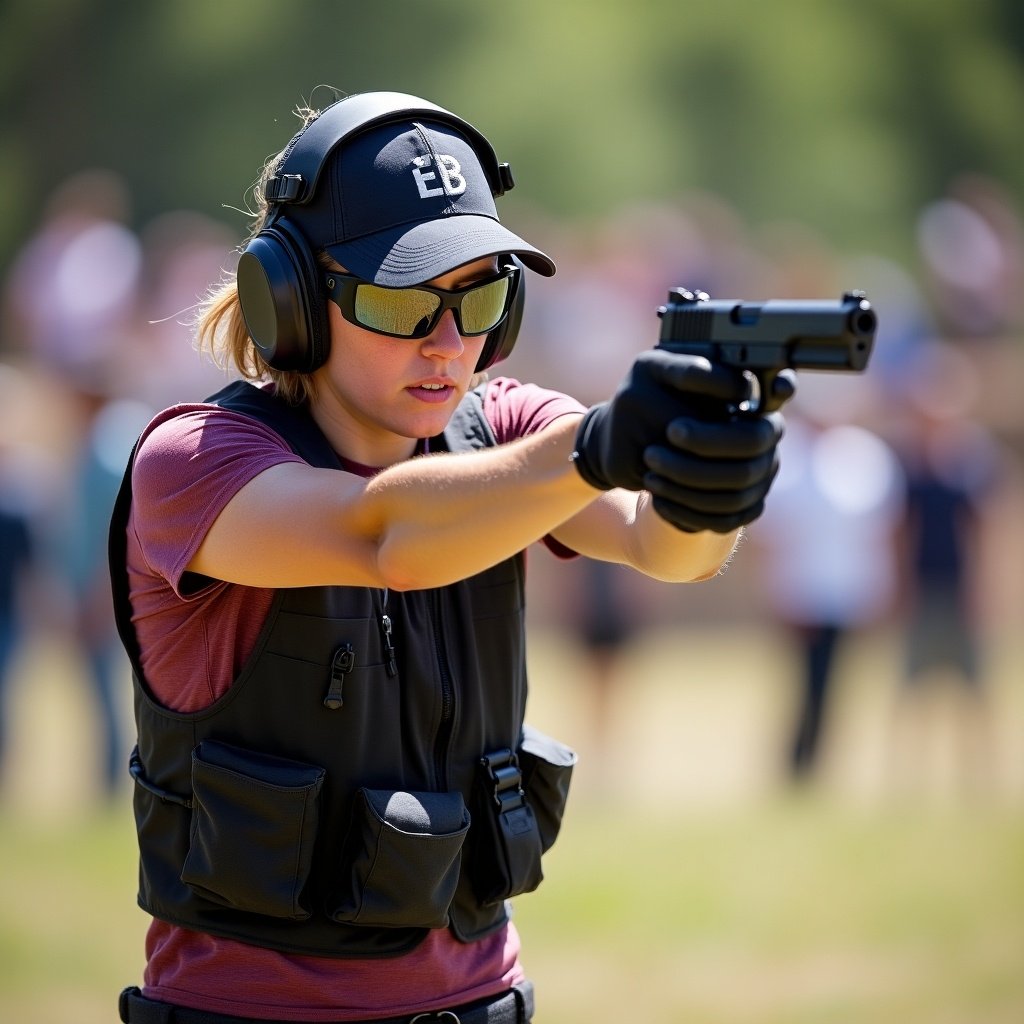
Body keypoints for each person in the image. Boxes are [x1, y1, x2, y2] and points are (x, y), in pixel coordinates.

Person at [109, 90, 790, 1024]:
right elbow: (383, 535)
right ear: (294, 300)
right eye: (402, 301)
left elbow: (658, 544)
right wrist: (604, 442)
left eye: (480, 297)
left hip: (482, 1004)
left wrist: (709, 482)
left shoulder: (505, 431)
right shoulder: (194, 462)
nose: (450, 343)